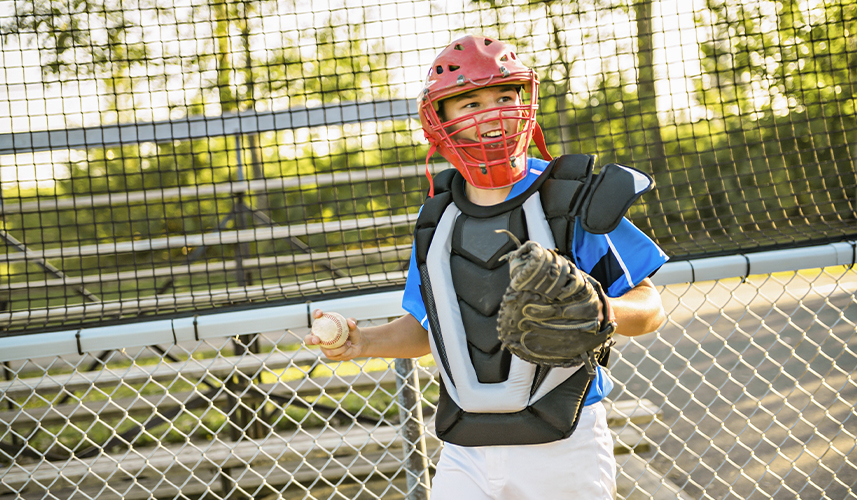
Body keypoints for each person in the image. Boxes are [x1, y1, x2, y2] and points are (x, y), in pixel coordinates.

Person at [305, 34, 668, 500]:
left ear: (524, 102)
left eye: (504, 95)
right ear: (441, 121)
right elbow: (427, 329)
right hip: (467, 448)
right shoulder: (438, 217)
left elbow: (652, 307)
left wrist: (604, 311)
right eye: (471, 103)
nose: (494, 112)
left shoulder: (569, 197)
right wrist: (362, 342)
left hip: (563, 439)